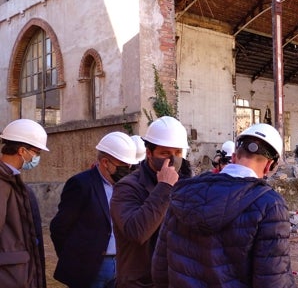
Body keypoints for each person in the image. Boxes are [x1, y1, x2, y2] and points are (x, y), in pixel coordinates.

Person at [152, 123, 295, 288]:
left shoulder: (183, 191)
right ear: (269, 166)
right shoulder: (270, 206)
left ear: (234, 157)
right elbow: (273, 282)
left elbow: (159, 271)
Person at [50, 131, 139, 288]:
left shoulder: (128, 186)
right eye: (123, 166)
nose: (128, 169)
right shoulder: (81, 184)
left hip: (122, 265)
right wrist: (74, 260)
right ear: (105, 162)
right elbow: (59, 228)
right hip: (90, 268)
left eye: (130, 165)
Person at [110, 116, 188, 288]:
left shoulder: (184, 184)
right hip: (140, 283)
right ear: (149, 153)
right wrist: (164, 187)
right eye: (165, 153)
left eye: (178, 153)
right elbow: (137, 232)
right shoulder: (127, 187)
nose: (173, 159)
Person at [0, 118, 49, 288]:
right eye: (36, 152)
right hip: (10, 277)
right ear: (22, 151)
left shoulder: (11, 180)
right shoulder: (2, 182)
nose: (37, 157)